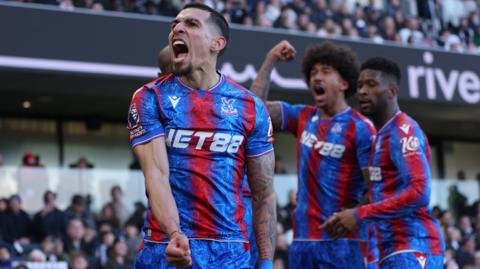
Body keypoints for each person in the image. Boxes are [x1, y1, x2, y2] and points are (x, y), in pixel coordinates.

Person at [128, 3, 276, 268]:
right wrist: (174, 233)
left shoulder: (250, 106)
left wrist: (265, 261)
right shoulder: (150, 98)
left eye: (191, 24)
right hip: (165, 247)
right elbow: (156, 175)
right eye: (175, 24)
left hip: (229, 252)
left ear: (217, 43)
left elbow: (263, 193)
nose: (177, 28)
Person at [250, 40, 376, 268]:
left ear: (344, 83)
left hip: (344, 243)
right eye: (314, 72)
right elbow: (253, 111)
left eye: (326, 72)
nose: (317, 77)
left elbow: (377, 188)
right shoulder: (302, 117)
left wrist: (355, 215)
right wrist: (271, 59)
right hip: (302, 241)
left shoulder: (361, 128)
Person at [323, 57, 445, 268]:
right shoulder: (382, 135)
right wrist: (348, 216)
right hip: (392, 249)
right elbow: (384, 191)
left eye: (371, 84)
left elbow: (420, 191)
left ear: (392, 91)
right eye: (360, 85)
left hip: (414, 246)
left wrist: (359, 214)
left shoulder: (403, 130)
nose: (362, 91)